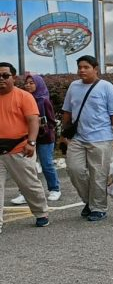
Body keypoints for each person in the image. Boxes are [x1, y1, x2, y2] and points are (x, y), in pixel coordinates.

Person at [60, 55, 113, 222]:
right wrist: (63, 136)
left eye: (86, 67)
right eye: (79, 67)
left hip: (101, 138)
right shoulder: (73, 87)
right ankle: (89, 201)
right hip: (77, 138)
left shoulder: (106, 87)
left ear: (96, 69)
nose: (82, 70)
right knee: (74, 169)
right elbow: (67, 112)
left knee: (98, 174)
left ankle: (98, 208)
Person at [0, 63, 51, 231]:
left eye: (5, 76)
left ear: (13, 78)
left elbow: (33, 121)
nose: (1, 79)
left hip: (20, 147)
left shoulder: (23, 96)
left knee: (29, 184)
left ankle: (41, 213)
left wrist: (31, 142)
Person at [9, 74, 62, 206]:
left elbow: (51, 122)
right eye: (27, 83)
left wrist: (41, 125)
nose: (28, 85)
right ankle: (24, 193)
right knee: (26, 167)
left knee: (46, 164)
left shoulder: (44, 101)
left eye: (32, 83)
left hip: (44, 137)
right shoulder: (22, 98)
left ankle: (54, 189)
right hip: (26, 138)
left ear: (39, 84)